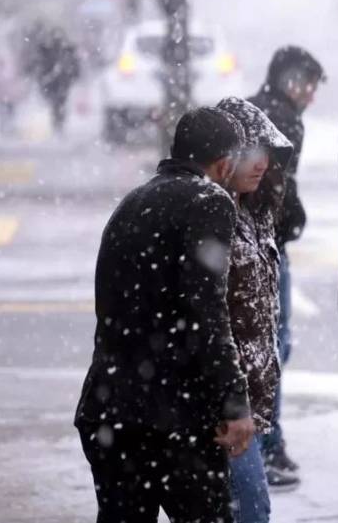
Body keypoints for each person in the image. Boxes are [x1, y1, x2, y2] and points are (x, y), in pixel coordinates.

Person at [75, 107, 254, 523]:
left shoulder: (133, 201)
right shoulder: (209, 201)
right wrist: (233, 402)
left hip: (110, 408)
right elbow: (206, 313)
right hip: (171, 415)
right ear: (225, 161)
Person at [247, 46, 325, 484]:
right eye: (309, 85)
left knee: (260, 346)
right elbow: (280, 188)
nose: (311, 95)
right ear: (290, 80)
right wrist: (294, 222)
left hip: (249, 242)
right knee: (272, 348)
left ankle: (267, 445)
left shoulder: (252, 110)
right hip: (266, 246)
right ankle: (265, 449)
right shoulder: (282, 118)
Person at [216, 97, 296, 521]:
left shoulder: (256, 214)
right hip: (225, 408)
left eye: (267, 152)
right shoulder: (211, 217)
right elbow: (207, 320)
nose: (261, 163)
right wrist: (228, 403)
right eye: (250, 151)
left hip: (249, 409)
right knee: (250, 510)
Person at [24, 24, 80, 134]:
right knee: (58, 103)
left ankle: (58, 123)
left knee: (58, 103)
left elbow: (73, 66)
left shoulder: (60, 50)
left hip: (59, 82)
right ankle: (58, 123)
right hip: (56, 82)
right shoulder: (58, 50)